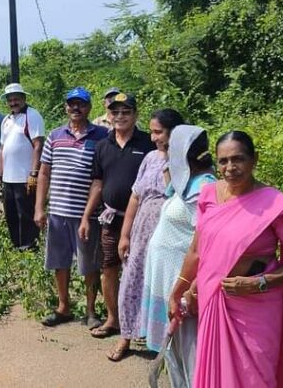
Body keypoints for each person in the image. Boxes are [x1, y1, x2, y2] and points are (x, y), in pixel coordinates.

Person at [169, 131, 283, 387]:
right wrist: (180, 288)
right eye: (223, 161)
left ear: (254, 160)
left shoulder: (275, 206)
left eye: (238, 159)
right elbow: (196, 251)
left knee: (254, 377)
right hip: (214, 303)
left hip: (256, 309)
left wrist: (260, 283)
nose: (230, 168)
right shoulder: (209, 195)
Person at [108, 109, 185, 362]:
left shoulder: (186, 162)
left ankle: (164, 344)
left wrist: (173, 161)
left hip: (169, 235)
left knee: (163, 287)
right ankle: (126, 336)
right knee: (131, 280)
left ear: (175, 133)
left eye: (158, 132)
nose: (153, 138)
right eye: (151, 131)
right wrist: (125, 234)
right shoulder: (150, 158)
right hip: (142, 230)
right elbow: (135, 196)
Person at [140, 126, 214, 386]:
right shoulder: (186, 184)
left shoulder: (205, 187)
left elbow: (207, 244)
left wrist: (191, 289)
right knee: (173, 353)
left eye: (172, 149)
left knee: (191, 355)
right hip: (170, 282)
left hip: (183, 287)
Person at [79, 93, 156, 339]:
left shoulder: (148, 143)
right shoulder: (102, 145)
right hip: (111, 221)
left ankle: (143, 324)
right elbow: (97, 184)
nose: (120, 117)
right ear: (108, 115)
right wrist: (85, 217)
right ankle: (114, 320)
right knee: (109, 268)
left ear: (135, 115)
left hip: (143, 221)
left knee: (142, 270)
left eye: (126, 112)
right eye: (115, 112)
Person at [34, 87, 108, 329]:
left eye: (81, 104)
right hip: (57, 212)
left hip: (87, 214)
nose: (76, 108)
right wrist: (39, 208)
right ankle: (63, 307)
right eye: (71, 104)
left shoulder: (101, 136)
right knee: (59, 261)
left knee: (89, 264)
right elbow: (44, 172)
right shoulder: (55, 135)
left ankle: (90, 310)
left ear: (89, 107)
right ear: (66, 106)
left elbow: (102, 177)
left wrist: (89, 212)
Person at [0, 83, 45, 249]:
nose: (13, 102)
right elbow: (2, 149)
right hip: (8, 178)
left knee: (26, 214)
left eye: (16, 99)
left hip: (25, 177)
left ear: (23, 98)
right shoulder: (7, 120)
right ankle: (16, 246)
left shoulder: (32, 115)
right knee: (11, 214)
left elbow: (38, 145)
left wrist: (33, 173)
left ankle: (30, 247)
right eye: (10, 100)